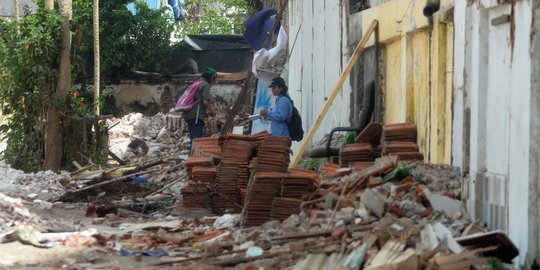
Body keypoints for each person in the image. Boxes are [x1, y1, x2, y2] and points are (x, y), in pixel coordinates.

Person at [183, 67, 217, 154]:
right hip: (196, 116)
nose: (214, 82)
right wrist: (213, 112)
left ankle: (191, 160)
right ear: (211, 78)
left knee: (193, 139)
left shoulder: (196, 83)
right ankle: (192, 162)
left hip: (189, 115)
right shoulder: (205, 84)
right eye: (214, 79)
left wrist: (206, 112)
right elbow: (205, 102)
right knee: (196, 141)